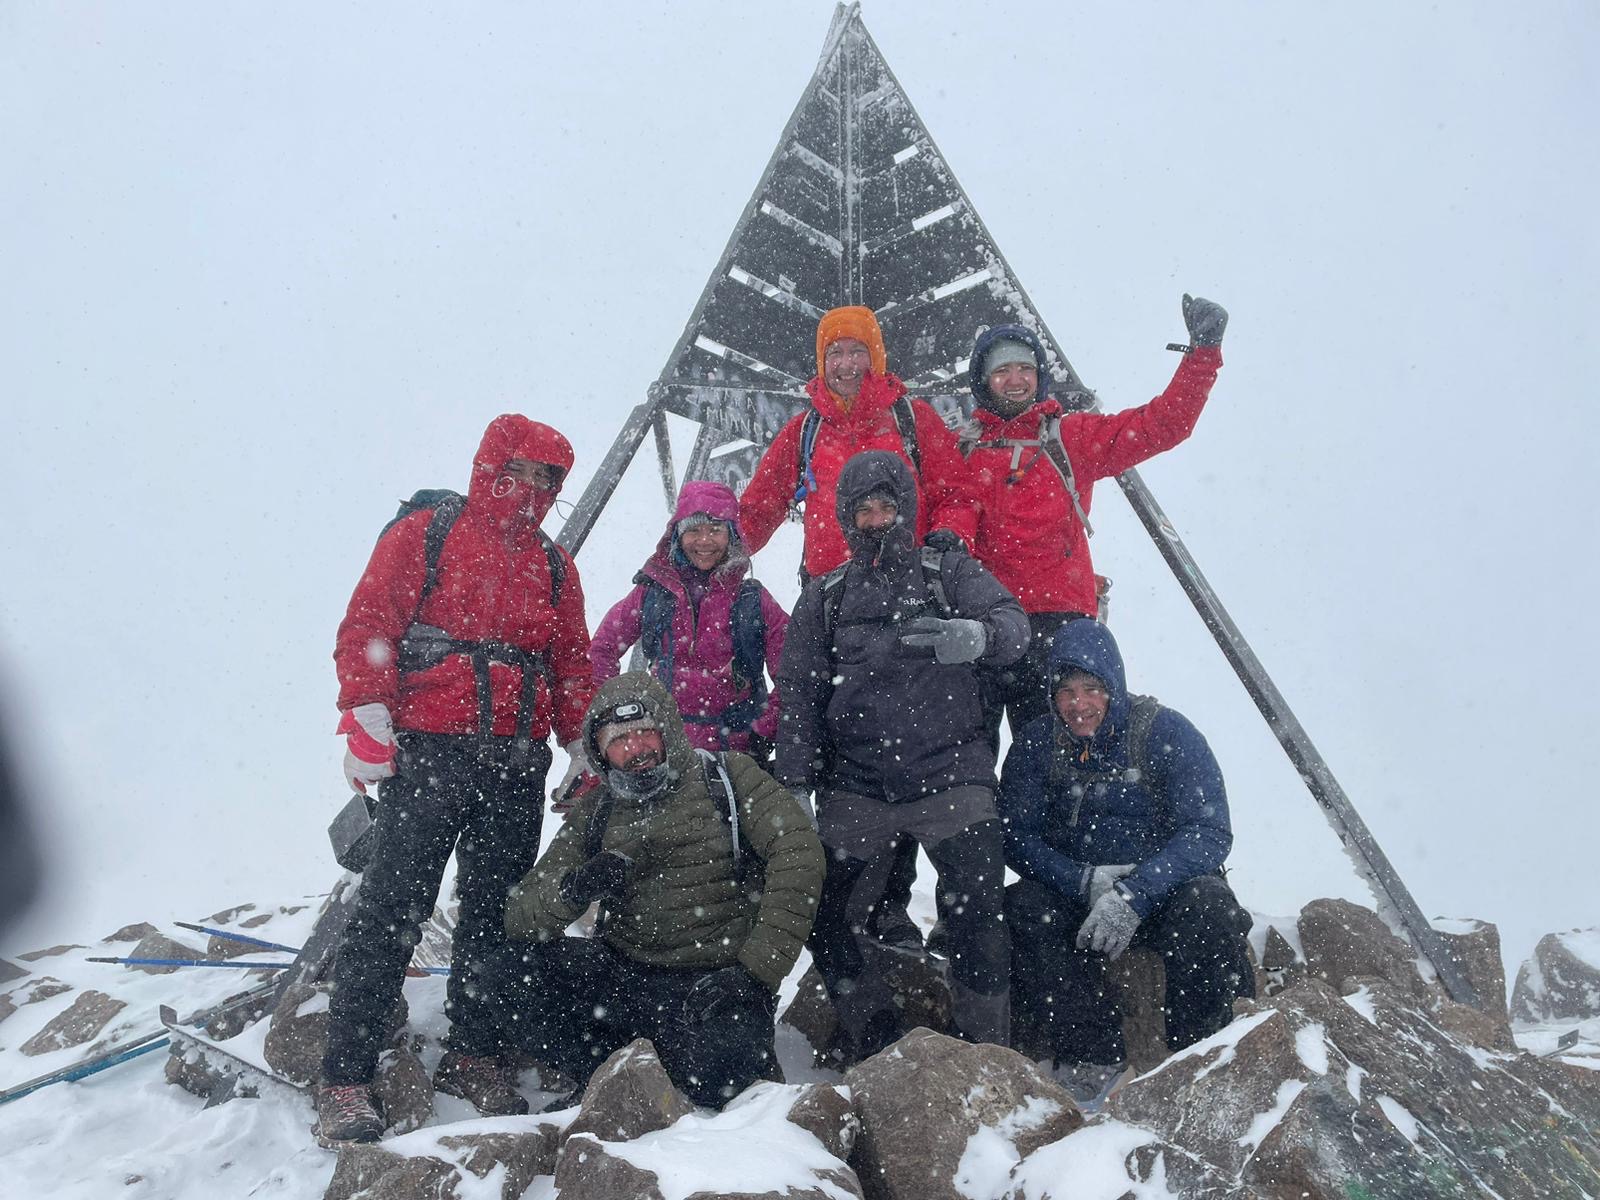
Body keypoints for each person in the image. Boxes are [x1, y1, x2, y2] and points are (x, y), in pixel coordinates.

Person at [316, 414, 595, 1144]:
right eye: (524, 470)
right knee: (393, 909)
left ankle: (474, 1053)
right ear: (492, 463)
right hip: (430, 753)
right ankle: (345, 1075)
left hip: (516, 760)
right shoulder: (428, 533)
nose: (533, 488)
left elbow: (571, 663)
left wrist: (580, 743)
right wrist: (367, 714)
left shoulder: (555, 565)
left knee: (493, 915)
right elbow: (370, 621)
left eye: (548, 478)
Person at [775, 450, 1030, 1061]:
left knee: (977, 912)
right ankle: (878, 1041)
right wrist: (794, 784)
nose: (876, 519)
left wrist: (980, 637)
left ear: (908, 508)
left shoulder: (948, 572)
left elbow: (1013, 623)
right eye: (863, 509)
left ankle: (983, 1053)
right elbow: (799, 693)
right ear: (845, 517)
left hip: (951, 775)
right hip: (857, 785)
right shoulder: (827, 594)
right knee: (823, 911)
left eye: (887, 506)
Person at [487, 672, 824, 1108]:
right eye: (618, 741)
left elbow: (798, 853)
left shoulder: (728, 776)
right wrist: (576, 888)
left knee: (718, 1082)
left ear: (667, 732)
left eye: (645, 733)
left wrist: (754, 973)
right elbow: (522, 913)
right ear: (600, 753)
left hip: (718, 981)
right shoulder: (597, 809)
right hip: (624, 976)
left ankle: (646, 1079)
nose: (636, 750)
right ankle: (604, 1081)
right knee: (505, 972)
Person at [999, 618, 1253, 1095]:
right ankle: (1091, 1060)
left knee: (1211, 906)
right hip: (1078, 894)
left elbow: (1208, 831)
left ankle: (1197, 1061)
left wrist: (1137, 893)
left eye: (1092, 688)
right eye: (1066, 691)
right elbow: (1014, 835)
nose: (1079, 705)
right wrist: (1082, 881)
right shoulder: (1036, 745)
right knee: (1025, 908)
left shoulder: (1165, 732)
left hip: (1161, 895)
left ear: (1114, 684)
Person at [962, 295, 1227, 742]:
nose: (1015, 380)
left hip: (1056, 624)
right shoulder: (961, 450)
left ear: (1039, 377)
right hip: (984, 621)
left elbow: (1162, 424)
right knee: (967, 758)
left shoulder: (1070, 438)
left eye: (1025, 369)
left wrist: (1202, 354)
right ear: (984, 380)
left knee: (1057, 759)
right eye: (1003, 370)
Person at [738, 304, 978, 581]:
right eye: (835, 353)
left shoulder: (913, 419)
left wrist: (951, 534)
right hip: (830, 595)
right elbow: (758, 509)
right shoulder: (805, 431)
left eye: (857, 352)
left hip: (910, 587)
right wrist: (718, 553)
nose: (846, 364)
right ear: (822, 361)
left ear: (875, 356)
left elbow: (957, 496)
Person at [589, 481, 788, 762]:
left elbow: (795, 670)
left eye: (715, 530)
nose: (704, 541)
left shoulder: (753, 600)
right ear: (677, 536)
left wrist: (763, 729)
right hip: (664, 754)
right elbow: (601, 650)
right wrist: (616, 715)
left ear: (731, 535)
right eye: (693, 530)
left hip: (737, 757)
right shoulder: (652, 594)